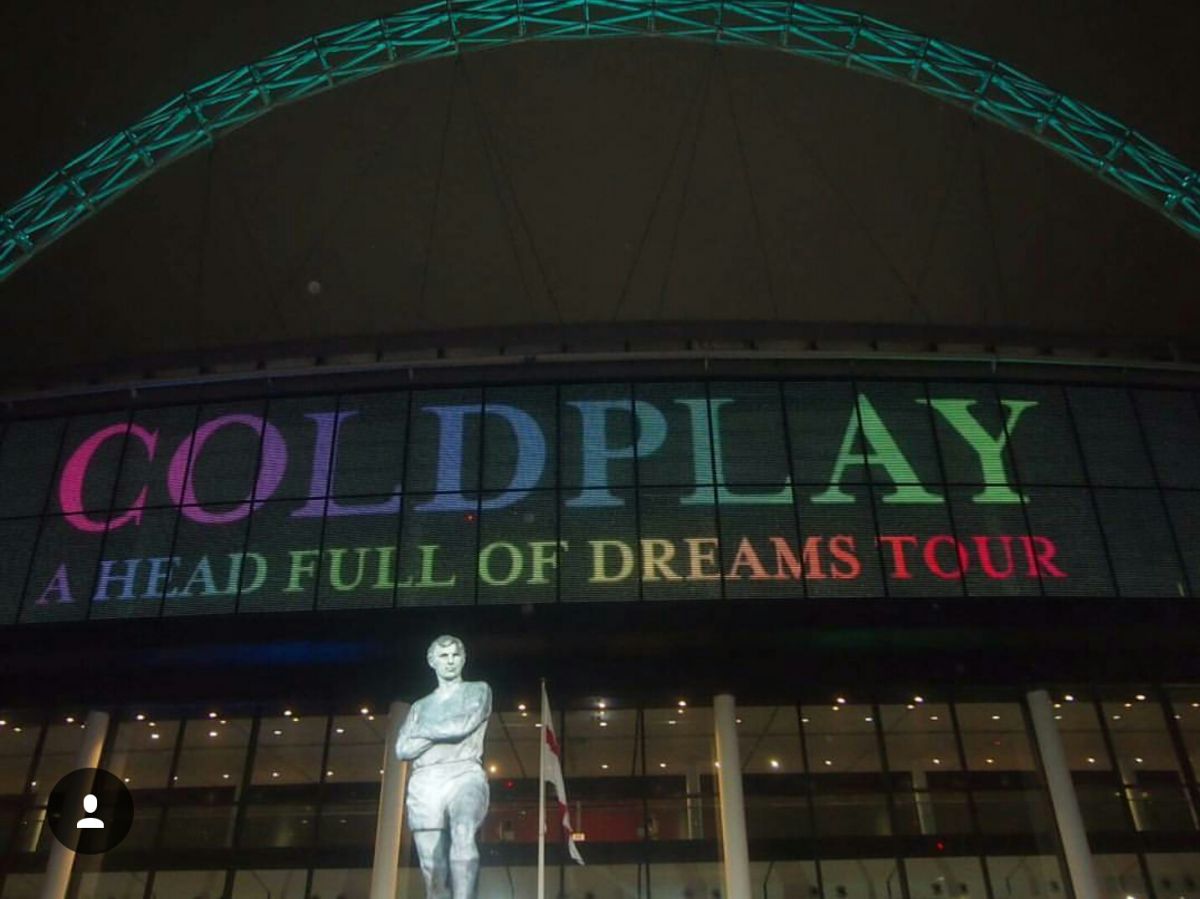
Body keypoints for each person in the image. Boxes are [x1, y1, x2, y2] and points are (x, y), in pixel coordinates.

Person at [396, 635, 492, 899]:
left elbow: (462, 726)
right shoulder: (419, 707)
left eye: (455, 655)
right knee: (432, 869)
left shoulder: (478, 690)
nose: (450, 661)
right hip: (425, 781)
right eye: (443, 656)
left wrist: (423, 733)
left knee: (463, 831)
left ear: (463, 659)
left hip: (464, 773)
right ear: (432, 662)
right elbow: (402, 749)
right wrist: (443, 731)